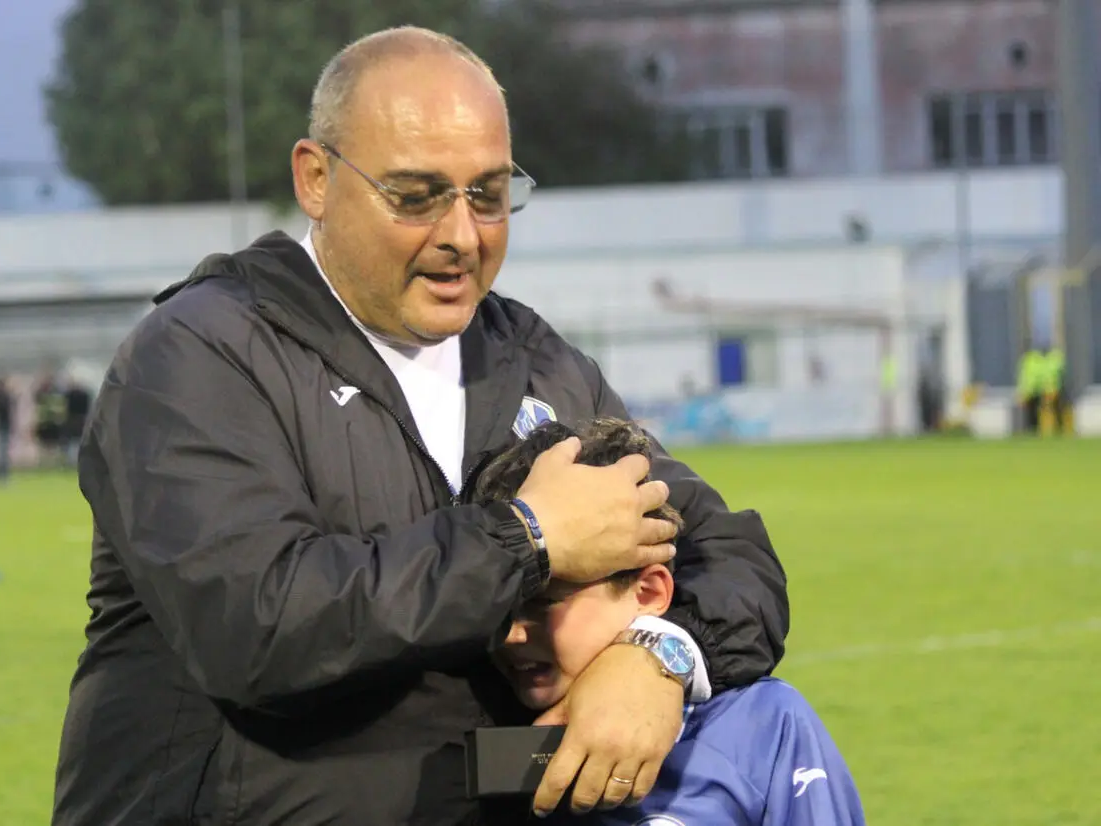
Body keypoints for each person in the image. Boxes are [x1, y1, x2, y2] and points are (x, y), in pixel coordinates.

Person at [54, 26, 788, 826]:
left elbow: (731, 555)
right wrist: (528, 541)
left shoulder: (534, 361)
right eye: (416, 195)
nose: (461, 235)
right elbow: (257, 627)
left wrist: (663, 654)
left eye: (489, 194)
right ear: (316, 179)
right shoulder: (200, 354)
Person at [476, 418, 865, 825]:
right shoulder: (490, 747)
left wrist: (653, 654)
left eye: (545, 603)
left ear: (648, 593)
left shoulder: (766, 724)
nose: (512, 632)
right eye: (500, 606)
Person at [0, 372, 13, 485]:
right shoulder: (1, 396)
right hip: (2, 427)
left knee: (3, 453)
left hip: (3, 427)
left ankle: (2, 476)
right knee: (2, 454)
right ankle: (2, 477)